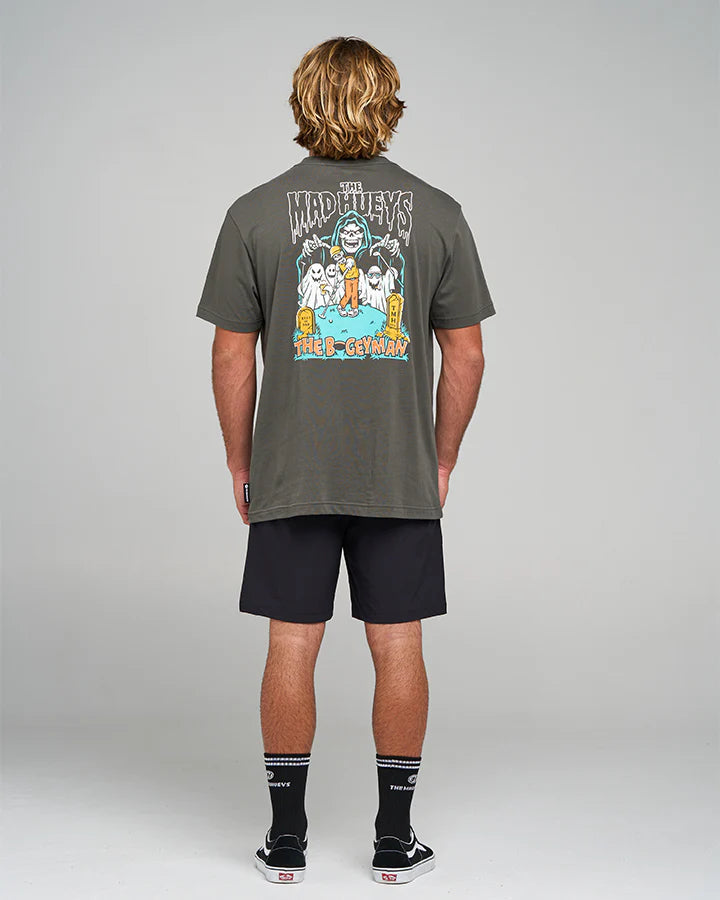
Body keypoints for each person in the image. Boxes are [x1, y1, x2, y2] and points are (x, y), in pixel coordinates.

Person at [196, 35, 496, 885]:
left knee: (291, 645)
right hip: (399, 473)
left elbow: (231, 355)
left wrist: (239, 460)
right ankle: (394, 843)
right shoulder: (438, 213)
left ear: (303, 102)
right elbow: (467, 355)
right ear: (388, 102)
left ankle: (285, 842)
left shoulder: (254, 214)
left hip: (291, 470)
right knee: (398, 647)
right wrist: (441, 460)